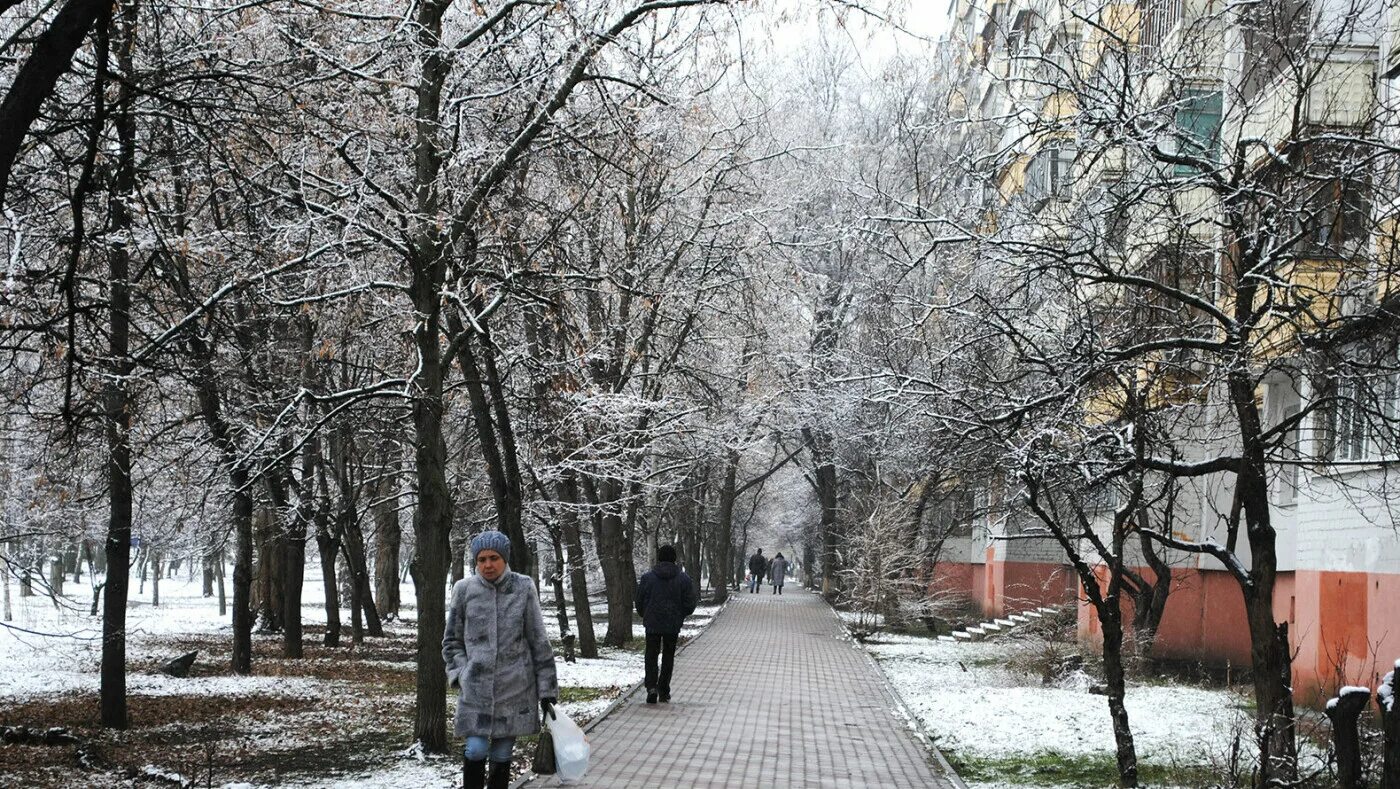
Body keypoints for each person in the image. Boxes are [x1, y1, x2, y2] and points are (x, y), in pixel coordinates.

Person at [443, 530, 559, 789]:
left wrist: (547, 690)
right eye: (482, 559)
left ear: (505, 559)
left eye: (493, 558)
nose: (487, 564)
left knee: (501, 754)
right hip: (475, 691)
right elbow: (451, 641)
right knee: (475, 749)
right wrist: (461, 673)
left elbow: (538, 640)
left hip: (515, 689)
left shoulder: (523, 587)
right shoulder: (464, 590)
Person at [635, 544, 696, 704]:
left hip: (652, 622)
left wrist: (645, 614)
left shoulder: (648, 578)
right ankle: (663, 689)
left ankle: (651, 687)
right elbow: (690, 603)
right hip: (672, 623)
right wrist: (680, 614)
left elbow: (639, 600)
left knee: (651, 654)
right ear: (674, 559)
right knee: (668, 656)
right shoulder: (683, 579)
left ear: (659, 558)